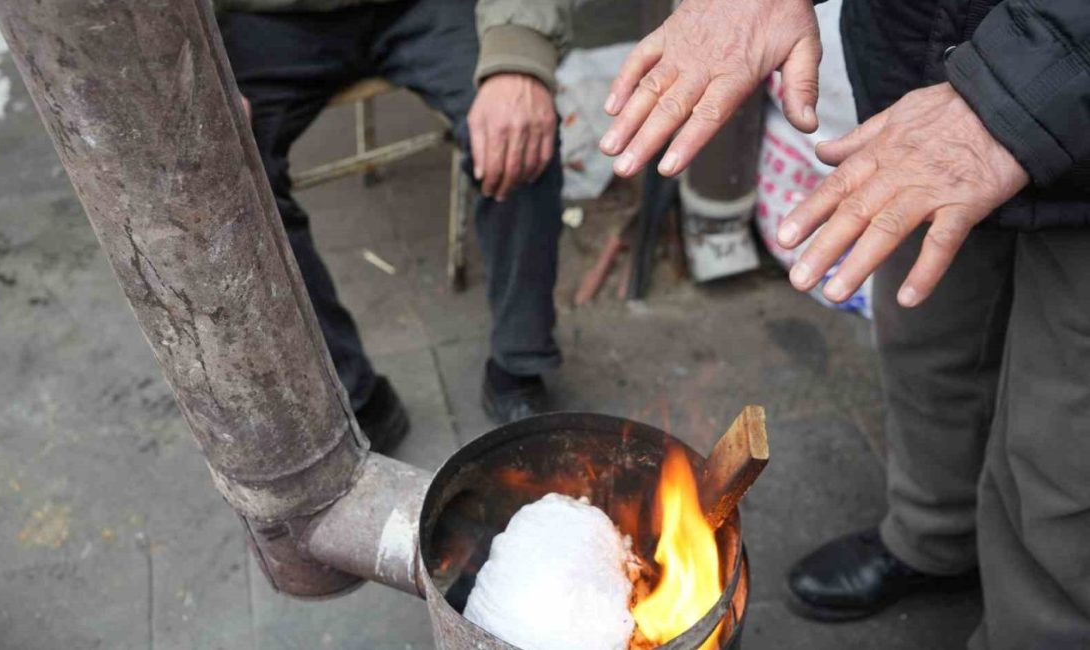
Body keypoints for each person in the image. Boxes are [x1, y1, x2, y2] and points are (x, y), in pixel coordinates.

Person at [601, 0, 1090, 648]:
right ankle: (933, 537)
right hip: (925, 52)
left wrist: (1019, 88)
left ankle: (1036, 628)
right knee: (929, 334)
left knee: (1064, 443)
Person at [215, 0, 572, 451]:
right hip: (264, 19)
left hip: (423, 9)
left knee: (521, 140)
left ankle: (519, 364)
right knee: (221, 180)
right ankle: (353, 393)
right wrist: (187, 63)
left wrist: (519, 54)